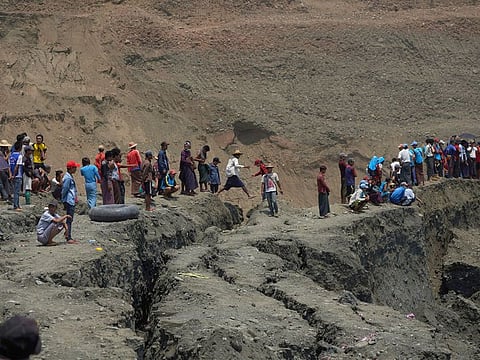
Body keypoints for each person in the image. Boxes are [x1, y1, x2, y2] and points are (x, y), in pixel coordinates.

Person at [61, 160, 80, 244]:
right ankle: (68, 237)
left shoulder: (69, 176)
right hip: (69, 200)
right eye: (75, 167)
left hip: (70, 200)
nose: (76, 169)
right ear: (71, 168)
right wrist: (63, 200)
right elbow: (65, 189)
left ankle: (68, 235)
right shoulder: (68, 178)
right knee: (69, 219)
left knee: (70, 219)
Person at [9, 141, 24, 211]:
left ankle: (17, 204)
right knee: (16, 191)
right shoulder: (19, 156)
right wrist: (14, 175)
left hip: (12, 175)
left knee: (15, 191)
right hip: (18, 175)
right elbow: (17, 167)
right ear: (20, 148)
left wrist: (11, 175)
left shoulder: (11, 156)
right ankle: (15, 206)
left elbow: (9, 166)